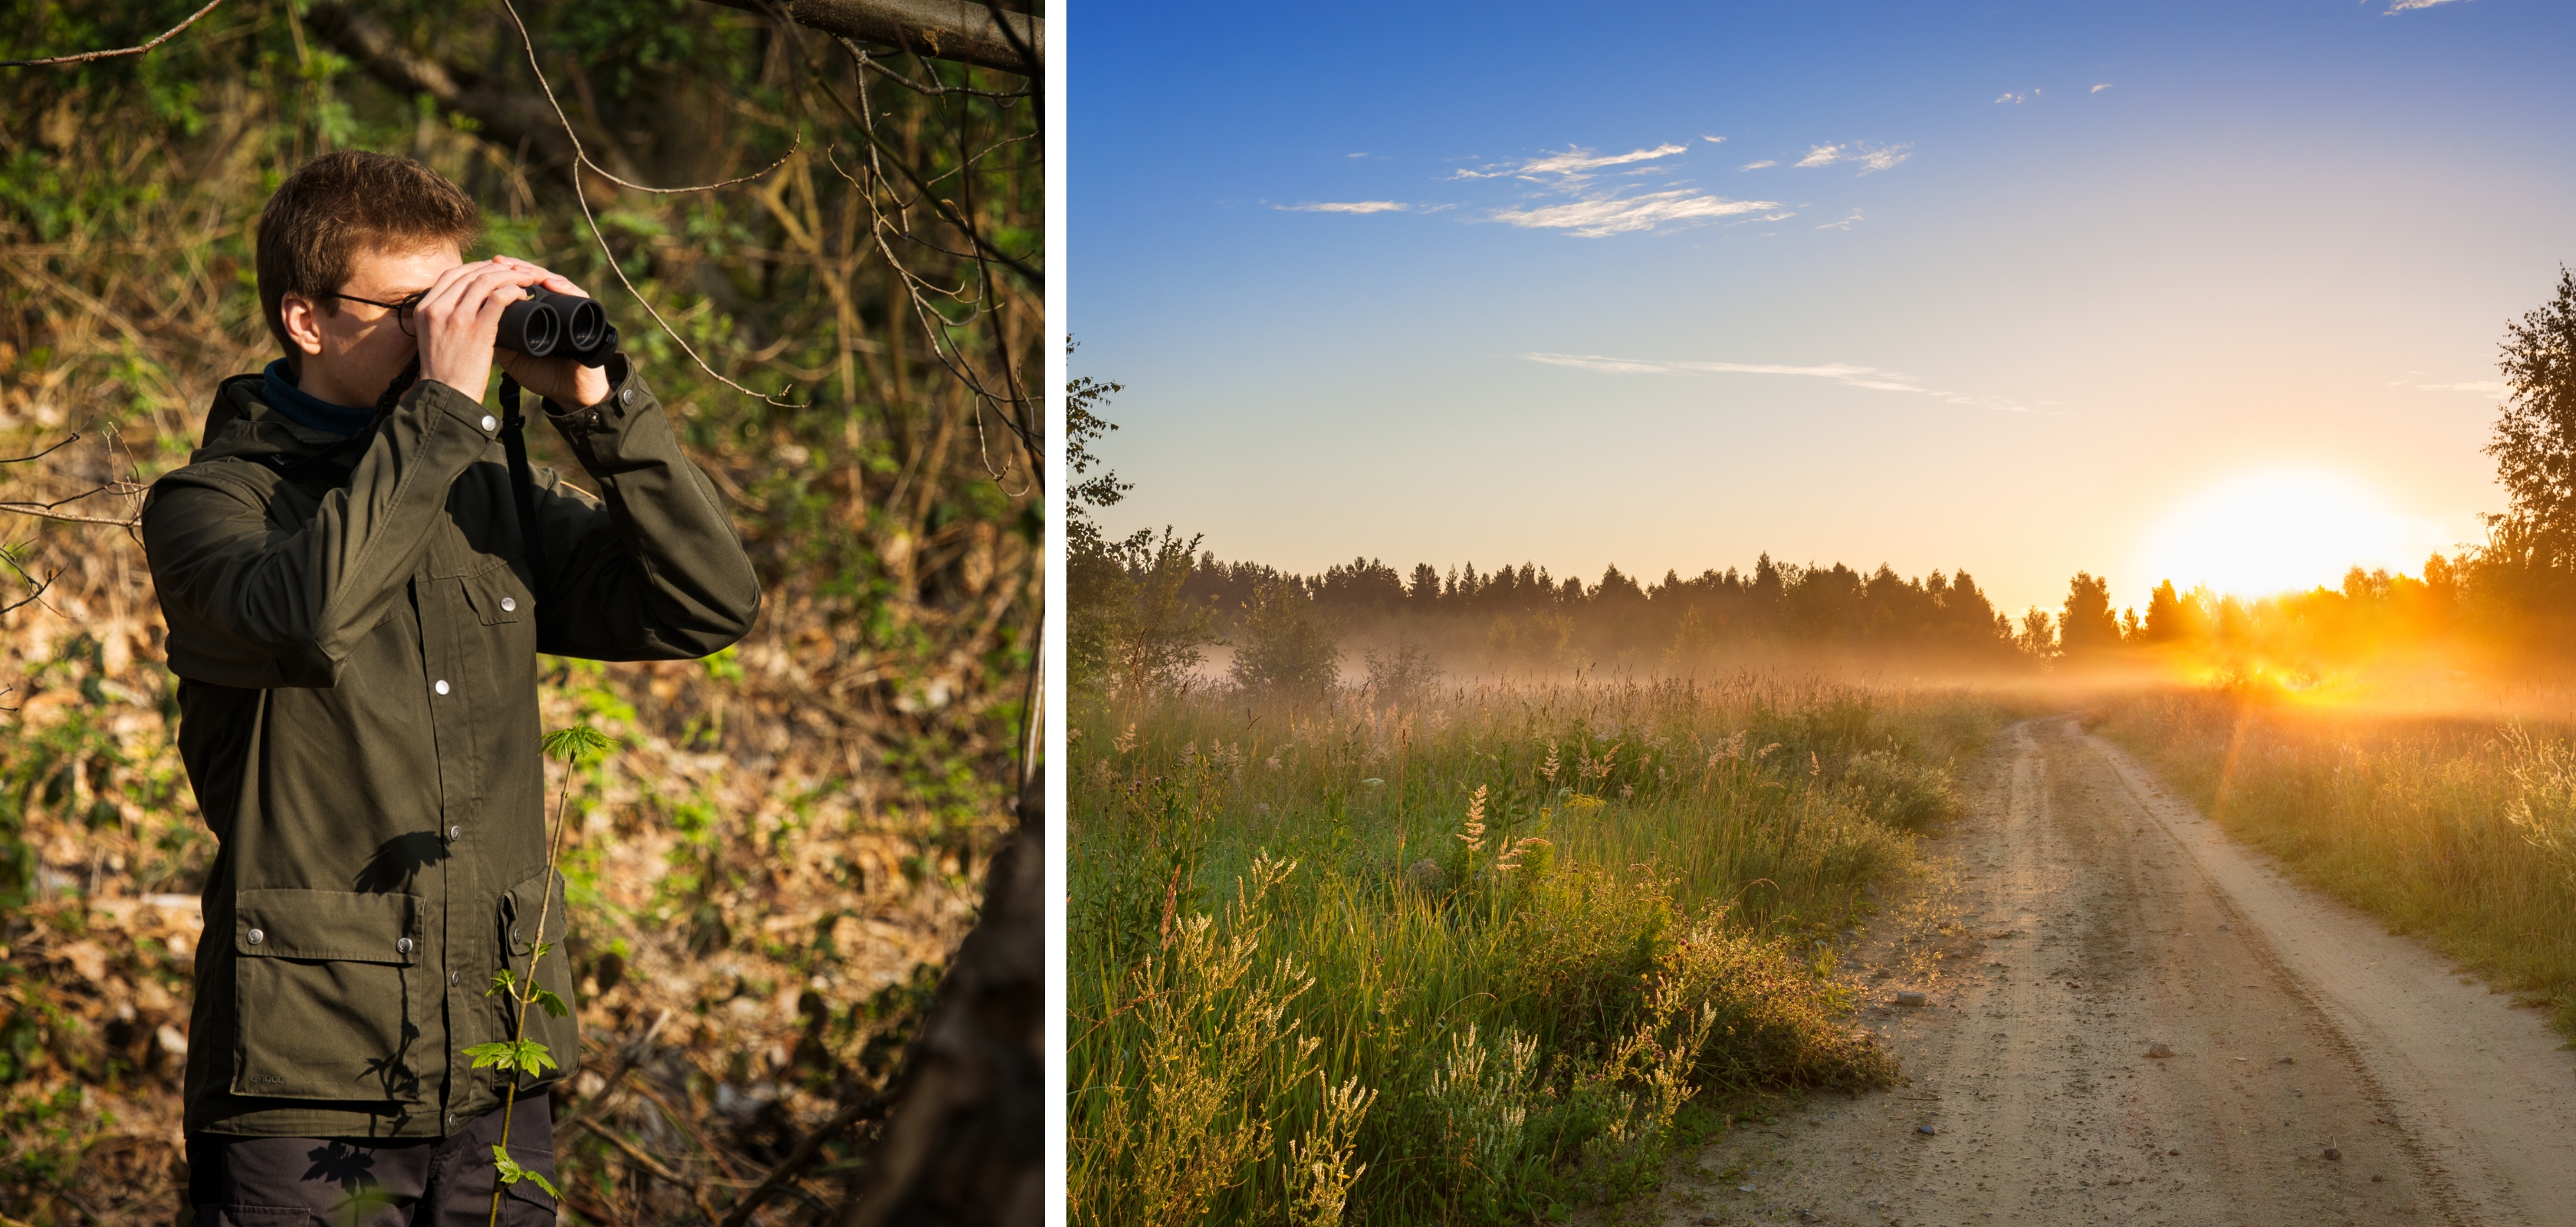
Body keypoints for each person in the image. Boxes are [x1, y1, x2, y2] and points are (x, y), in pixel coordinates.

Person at [141, 149, 762, 1225]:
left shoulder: (479, 491)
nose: (452, 330)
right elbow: (313, 618)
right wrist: (439, 409)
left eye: (459, 298)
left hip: (494, 1057)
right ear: (306, 320)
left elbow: (707, 604)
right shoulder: (210, 507)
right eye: (417, 307)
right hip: (308, 1079)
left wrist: (601, 409)